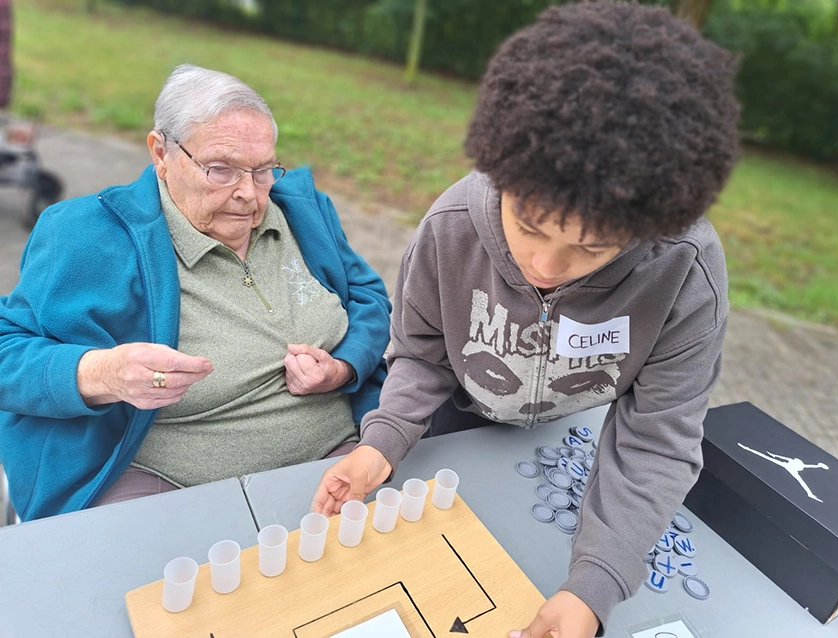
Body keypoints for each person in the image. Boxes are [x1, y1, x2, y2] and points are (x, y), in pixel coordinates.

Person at [312, 3, 739, 637]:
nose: (543, 265)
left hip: (570, 434)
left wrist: (593, 589)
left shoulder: (685, 271)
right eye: (527, 225)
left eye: (590, 249)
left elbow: (656, 439)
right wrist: (385, 440)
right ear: (499, 173)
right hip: (454, 425)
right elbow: (422, 353)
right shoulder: (450, 228)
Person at [0, 64, 391, 521]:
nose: (249, 194)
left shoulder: (302, 209)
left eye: (263, 169)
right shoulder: (83, 236)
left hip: (336, 459)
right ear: (161, 154)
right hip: (164, 480)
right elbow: (8, 352)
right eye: (221, 170)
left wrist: (344, 367)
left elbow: (368, 295)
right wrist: (104, 373)